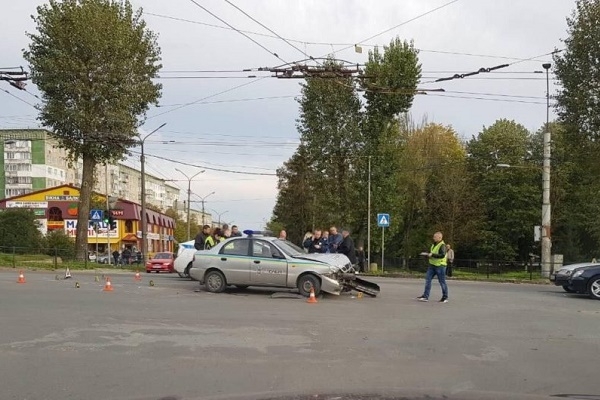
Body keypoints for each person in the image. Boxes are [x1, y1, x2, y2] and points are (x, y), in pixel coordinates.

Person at [417, 231, 448, 303]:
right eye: (433, 236)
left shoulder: (442, 245)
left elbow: (442, 255)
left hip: (440, 266)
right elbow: (432, 253)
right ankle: (425, 296)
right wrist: (427, 255)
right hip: (432, 265)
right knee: (428, 280)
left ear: (440, 237)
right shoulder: (434, 244)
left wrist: (432, 255)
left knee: (442, 282)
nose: (433, 238)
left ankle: (445, 297)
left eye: (435, 237)